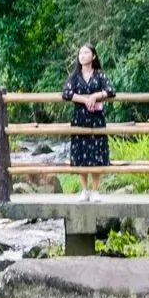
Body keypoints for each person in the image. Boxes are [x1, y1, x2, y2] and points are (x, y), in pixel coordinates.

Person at [62, 43, 116, 198]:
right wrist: (84, 99)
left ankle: (95, 190)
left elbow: (111, 91)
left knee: (96, 153)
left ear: (93, 56)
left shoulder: (99, 74)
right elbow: (66, 93)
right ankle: (84, 190)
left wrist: (95, 96)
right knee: (81, 154)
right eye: (80, 53)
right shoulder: (75, 76)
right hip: (79, 118)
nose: (82, 55)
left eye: (86, 53)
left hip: (96, 118)